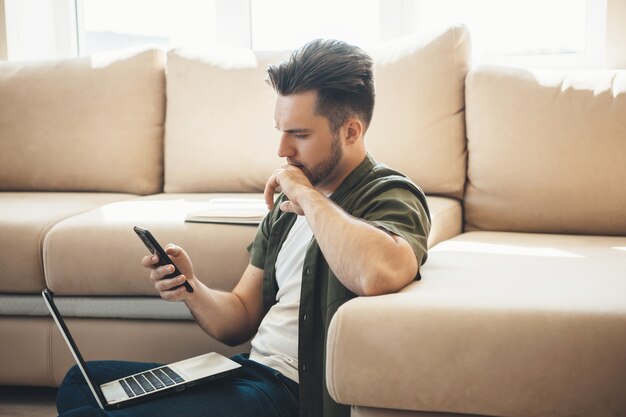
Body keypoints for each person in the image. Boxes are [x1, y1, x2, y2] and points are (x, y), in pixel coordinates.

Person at [56, 39, 430, 417]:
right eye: (280, 131)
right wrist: (191, 288)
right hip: (246, 371)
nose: (283, 150)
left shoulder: (388, 194)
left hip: (293, 394)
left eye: (299, 135)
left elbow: (377, 273)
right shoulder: (287, 204)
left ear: (351, 131)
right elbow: (237, 318)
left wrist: (307, 196)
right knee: (81, 384)